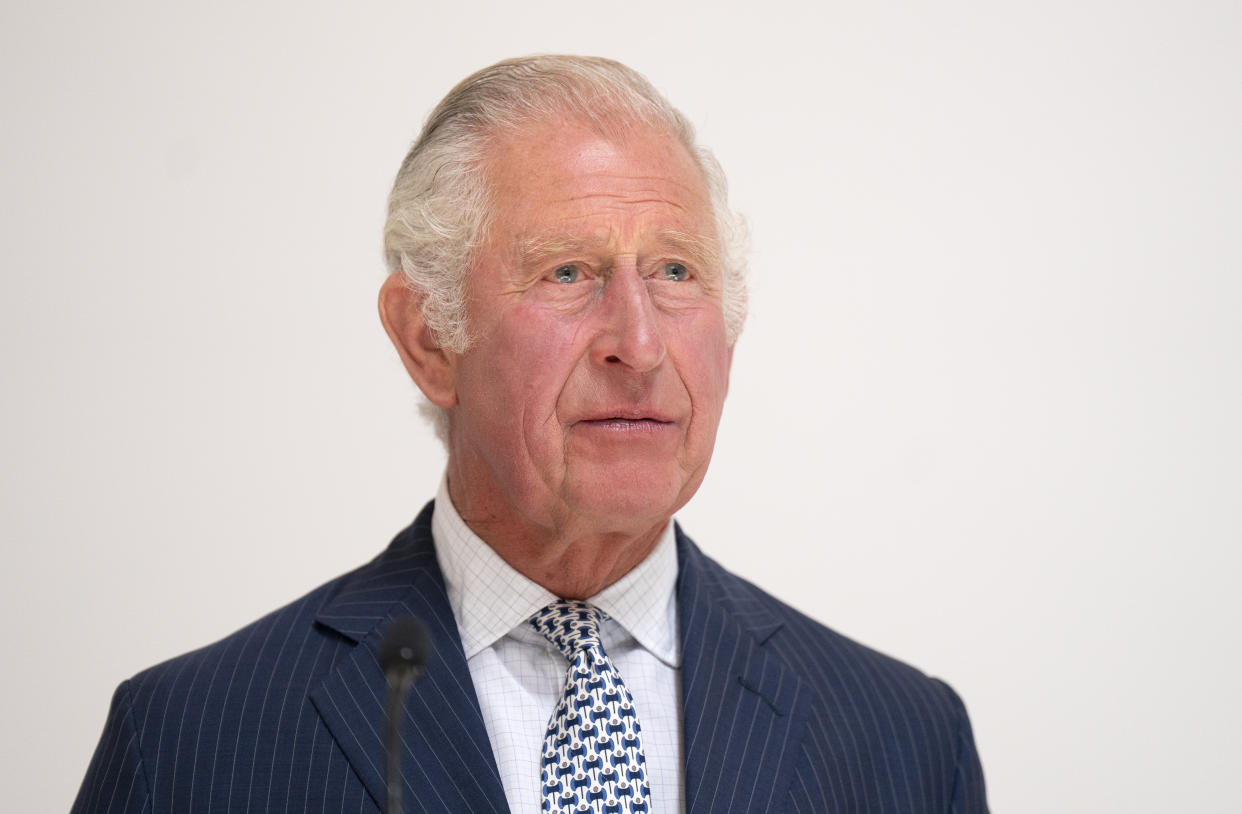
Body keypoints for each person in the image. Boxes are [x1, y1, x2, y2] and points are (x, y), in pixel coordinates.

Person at [73, 55, 988, 814]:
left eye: (676, 270)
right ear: (430, 337)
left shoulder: (905, 742)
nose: (638, 342)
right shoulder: (189, 744)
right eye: (566, 272)